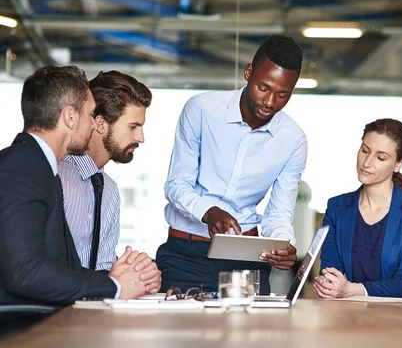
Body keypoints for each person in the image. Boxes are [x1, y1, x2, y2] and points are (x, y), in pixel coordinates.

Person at [157, 34, 307, 294]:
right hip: (186, 254)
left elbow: (279, 213)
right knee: (182, 333)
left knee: (252, 334)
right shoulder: (201, 110)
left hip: (248, 258)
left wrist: (283, 243)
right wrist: (209, 212)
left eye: (283, 95)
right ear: (248, 72)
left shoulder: (293, 140)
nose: (270, 102)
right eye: (264, 88)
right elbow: (176, 184)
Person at [0, 65, 160, 306]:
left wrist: (131, 276)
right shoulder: (23, 166)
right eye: (90, 113)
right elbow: (26, 272)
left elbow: (63, 267)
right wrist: (115, 286)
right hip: (24, 328)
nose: (93, 123)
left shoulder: (39, 167)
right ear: (70, 117)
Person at [313, 118, 402, 302]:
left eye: (381, 157)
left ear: (399, 163)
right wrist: (330, 286)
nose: (367, 162)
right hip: (354, 313)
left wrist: (353, 290)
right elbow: (331, 274)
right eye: (365, 150)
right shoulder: (337, 207)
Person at [58, 70, 153, 273]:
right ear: (101, 124)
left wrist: (133, 276)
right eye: (133, 126)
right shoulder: (57, 177)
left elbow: (103, 266)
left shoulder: (109, 190)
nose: (140, 137)